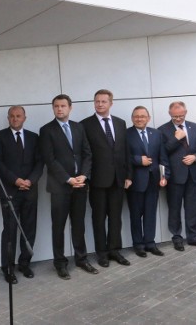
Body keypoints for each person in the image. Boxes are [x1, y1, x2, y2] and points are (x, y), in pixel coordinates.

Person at [39, 94, 96, 280]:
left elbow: (87, 154)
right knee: (59, 226)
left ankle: (81, 259)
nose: (59, 109)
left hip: (80, 185)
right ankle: (60, 263)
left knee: (79, 225)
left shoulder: (79, 127)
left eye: (63, 106)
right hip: (60, 187)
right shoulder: (46, 130)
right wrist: (68, 179)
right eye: (56, 106)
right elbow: (50, 160)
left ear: (70, 108)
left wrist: (84, 176)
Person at [0, 105, 43, 283]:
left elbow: (39, 163)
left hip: (30, 190)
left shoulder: (33, 137)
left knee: (29, 228)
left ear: (24, 118)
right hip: (9, 190)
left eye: (18, 116)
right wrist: (16, 180)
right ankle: (8, 268)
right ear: (8, 118)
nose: (15, 119)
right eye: (12, 116)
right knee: (10, 230)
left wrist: (30, 181)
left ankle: (25, 264)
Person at [81, 89, 132, 268]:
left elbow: (125, 151)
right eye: (97, 101)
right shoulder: (85, 125)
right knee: (99, 218)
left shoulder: (120, 123)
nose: (100, 104)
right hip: (97, 180)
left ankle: (114, 250)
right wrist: (85, 178)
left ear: (111, 103)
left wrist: (128, 175)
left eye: (103, 101)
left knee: (116, 217)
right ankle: (102, 253)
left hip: (118, 179)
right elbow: (84, 154)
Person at [158, 101, 196, 251]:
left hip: (192, 175)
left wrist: (195, 157)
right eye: (175, 117)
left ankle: (193, 237)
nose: (178, 119)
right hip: (174, 176)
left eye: (181, 116)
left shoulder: (194, 127)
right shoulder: (162, 130)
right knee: (174, 208)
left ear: (186, 112)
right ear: (170, 114)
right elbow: (162, 153)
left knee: (192, 207)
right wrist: (176, 139)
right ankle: (177, 238)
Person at [126, 106, 169, 258]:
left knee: (151, 213)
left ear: (148, 118)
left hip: (154, 181)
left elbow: (162, 157)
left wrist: (165, 176)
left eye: (142, 116)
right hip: (135, 181)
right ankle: (138, 245)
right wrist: (138, 160)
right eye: (136, 116)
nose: (139, 119)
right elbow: (122, 158)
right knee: (136, 215)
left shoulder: (156, 133)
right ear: (132, 118)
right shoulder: (126, 134)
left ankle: (150, 243)